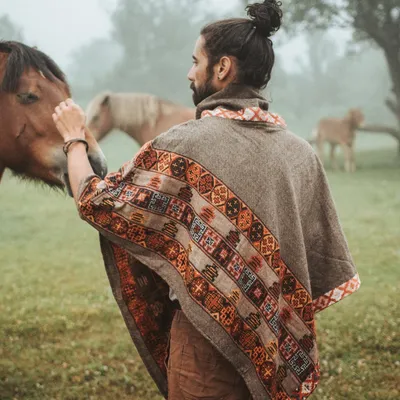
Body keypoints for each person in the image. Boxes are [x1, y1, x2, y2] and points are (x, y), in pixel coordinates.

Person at [53, 1, 360, 399]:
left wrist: (74, 137)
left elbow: (98, 201)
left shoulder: (185, 145)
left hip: (203, 352)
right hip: (276, 350)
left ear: (222, 68)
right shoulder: (302, 154)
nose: (188, 72)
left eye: (195, 60)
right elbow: (316, 262)